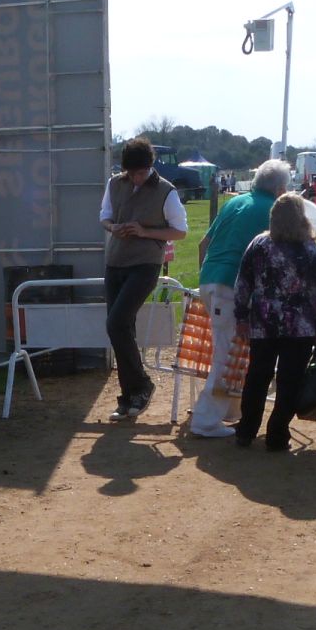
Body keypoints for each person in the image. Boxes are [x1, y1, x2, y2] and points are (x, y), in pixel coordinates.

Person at [186, 158, 289, 438]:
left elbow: (203, 244)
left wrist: (208, 276)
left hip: (210, 279)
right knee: (226, 354)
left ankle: (230, 410)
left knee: (233, 351)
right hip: (232, 286)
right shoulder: (273, 210)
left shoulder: (233, 202)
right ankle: (205, 420)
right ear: (280, 188)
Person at [231, 192, 316, 453]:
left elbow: (243, 283)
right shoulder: (310, 249)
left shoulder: (259, 245)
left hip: (263, 323)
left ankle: (246, 430)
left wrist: (240, 316)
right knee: (290, 381)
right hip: (300, 327)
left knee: (257, 377)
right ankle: (277, 434)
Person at [99, 138, 188, 421]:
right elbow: (104, 216)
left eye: (139, 173)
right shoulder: (115, 183)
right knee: (121, 328)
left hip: (145, 264)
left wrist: (145, 232)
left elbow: (180, 231)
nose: (135, 178)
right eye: (130, 172)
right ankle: (130, 396)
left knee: (116, 323)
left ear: (150, 166)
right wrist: (113, 228)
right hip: (115, 262)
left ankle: (141, 386)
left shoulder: (166, 192)